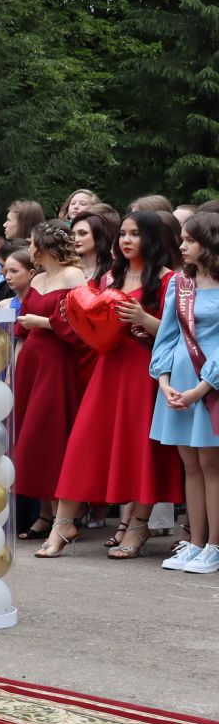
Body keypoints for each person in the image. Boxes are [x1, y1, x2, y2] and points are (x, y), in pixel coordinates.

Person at [39, 207, 184, 557]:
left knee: (141, 450)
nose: (127, 240)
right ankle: (63, 523)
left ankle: (138, 526)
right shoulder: (108, 277)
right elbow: (81, 311)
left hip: (145, 372)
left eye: (135, 234)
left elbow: (179, 334)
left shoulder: (170, 279)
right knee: (84, 444)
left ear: (151, 239)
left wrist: (144, 318)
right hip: (107, 369)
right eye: (123, 234)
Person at [152, 210, 219, 573]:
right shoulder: (181, 282)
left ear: (209, 243)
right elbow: (167, 334)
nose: (182, 245)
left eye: (190, 240)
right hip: (178, 384)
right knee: (190, 465)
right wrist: (163, 382)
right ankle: (194, 543)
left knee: (212, 466)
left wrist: (201, 389)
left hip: (210, 386)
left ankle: (214, 546)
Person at [12, 221, 87, 539]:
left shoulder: (74, 276)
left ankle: (63, 517)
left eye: (31, 243)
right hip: (32, 362)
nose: (29, 249)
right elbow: (21, 330)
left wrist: (42, 322)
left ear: (43, 248)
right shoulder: (38, 277)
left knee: (51, 431)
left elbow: (81, 320)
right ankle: (44, 512)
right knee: (31, 435)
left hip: (58, 361)